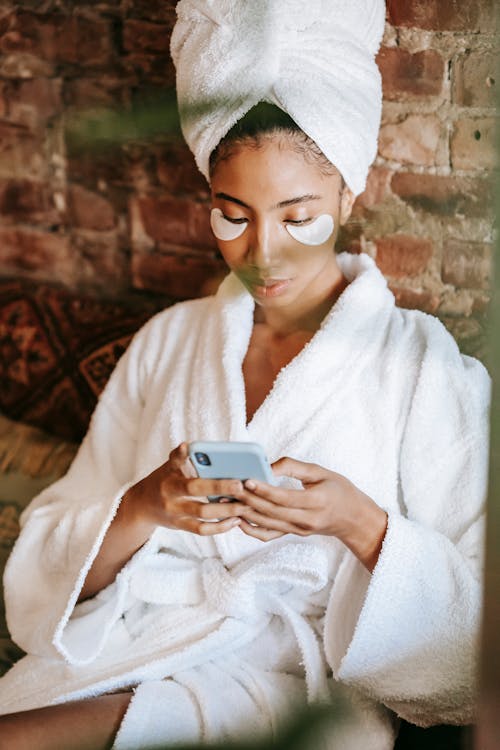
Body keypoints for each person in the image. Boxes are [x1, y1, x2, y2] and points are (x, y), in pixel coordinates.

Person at [0, 1, 490, 749]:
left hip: (293, 701)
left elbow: (477, 644)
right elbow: (42, 578)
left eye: (299, 218)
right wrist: (143, 505)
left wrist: (358, 523)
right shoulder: (169, 341)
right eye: (232, 215)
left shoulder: (424, 370)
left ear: (347, 197)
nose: (264, 254)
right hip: (135, 652)